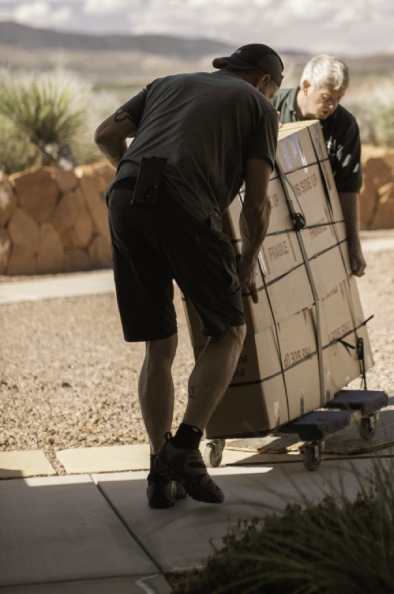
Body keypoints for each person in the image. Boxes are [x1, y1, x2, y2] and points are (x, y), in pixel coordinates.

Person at [93, 44, 283, 508]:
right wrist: (247, 264)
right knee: (230, 330)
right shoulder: (258, 106)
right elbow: (257, 206)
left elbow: (105, 135)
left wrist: (135, 177)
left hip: (125, 200)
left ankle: (160, 471)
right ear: (263, 81)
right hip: (185, 203)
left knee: (159, 346)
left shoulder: (166, 84)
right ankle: (185, 446)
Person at [271, 54, 366, 277]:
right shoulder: (270, 106)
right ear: (306, 86)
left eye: (339, 99)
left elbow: (347, 188)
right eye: (326, 98)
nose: (332, 106)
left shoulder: (344, 124)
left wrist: (354, 244)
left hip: (319, 223)